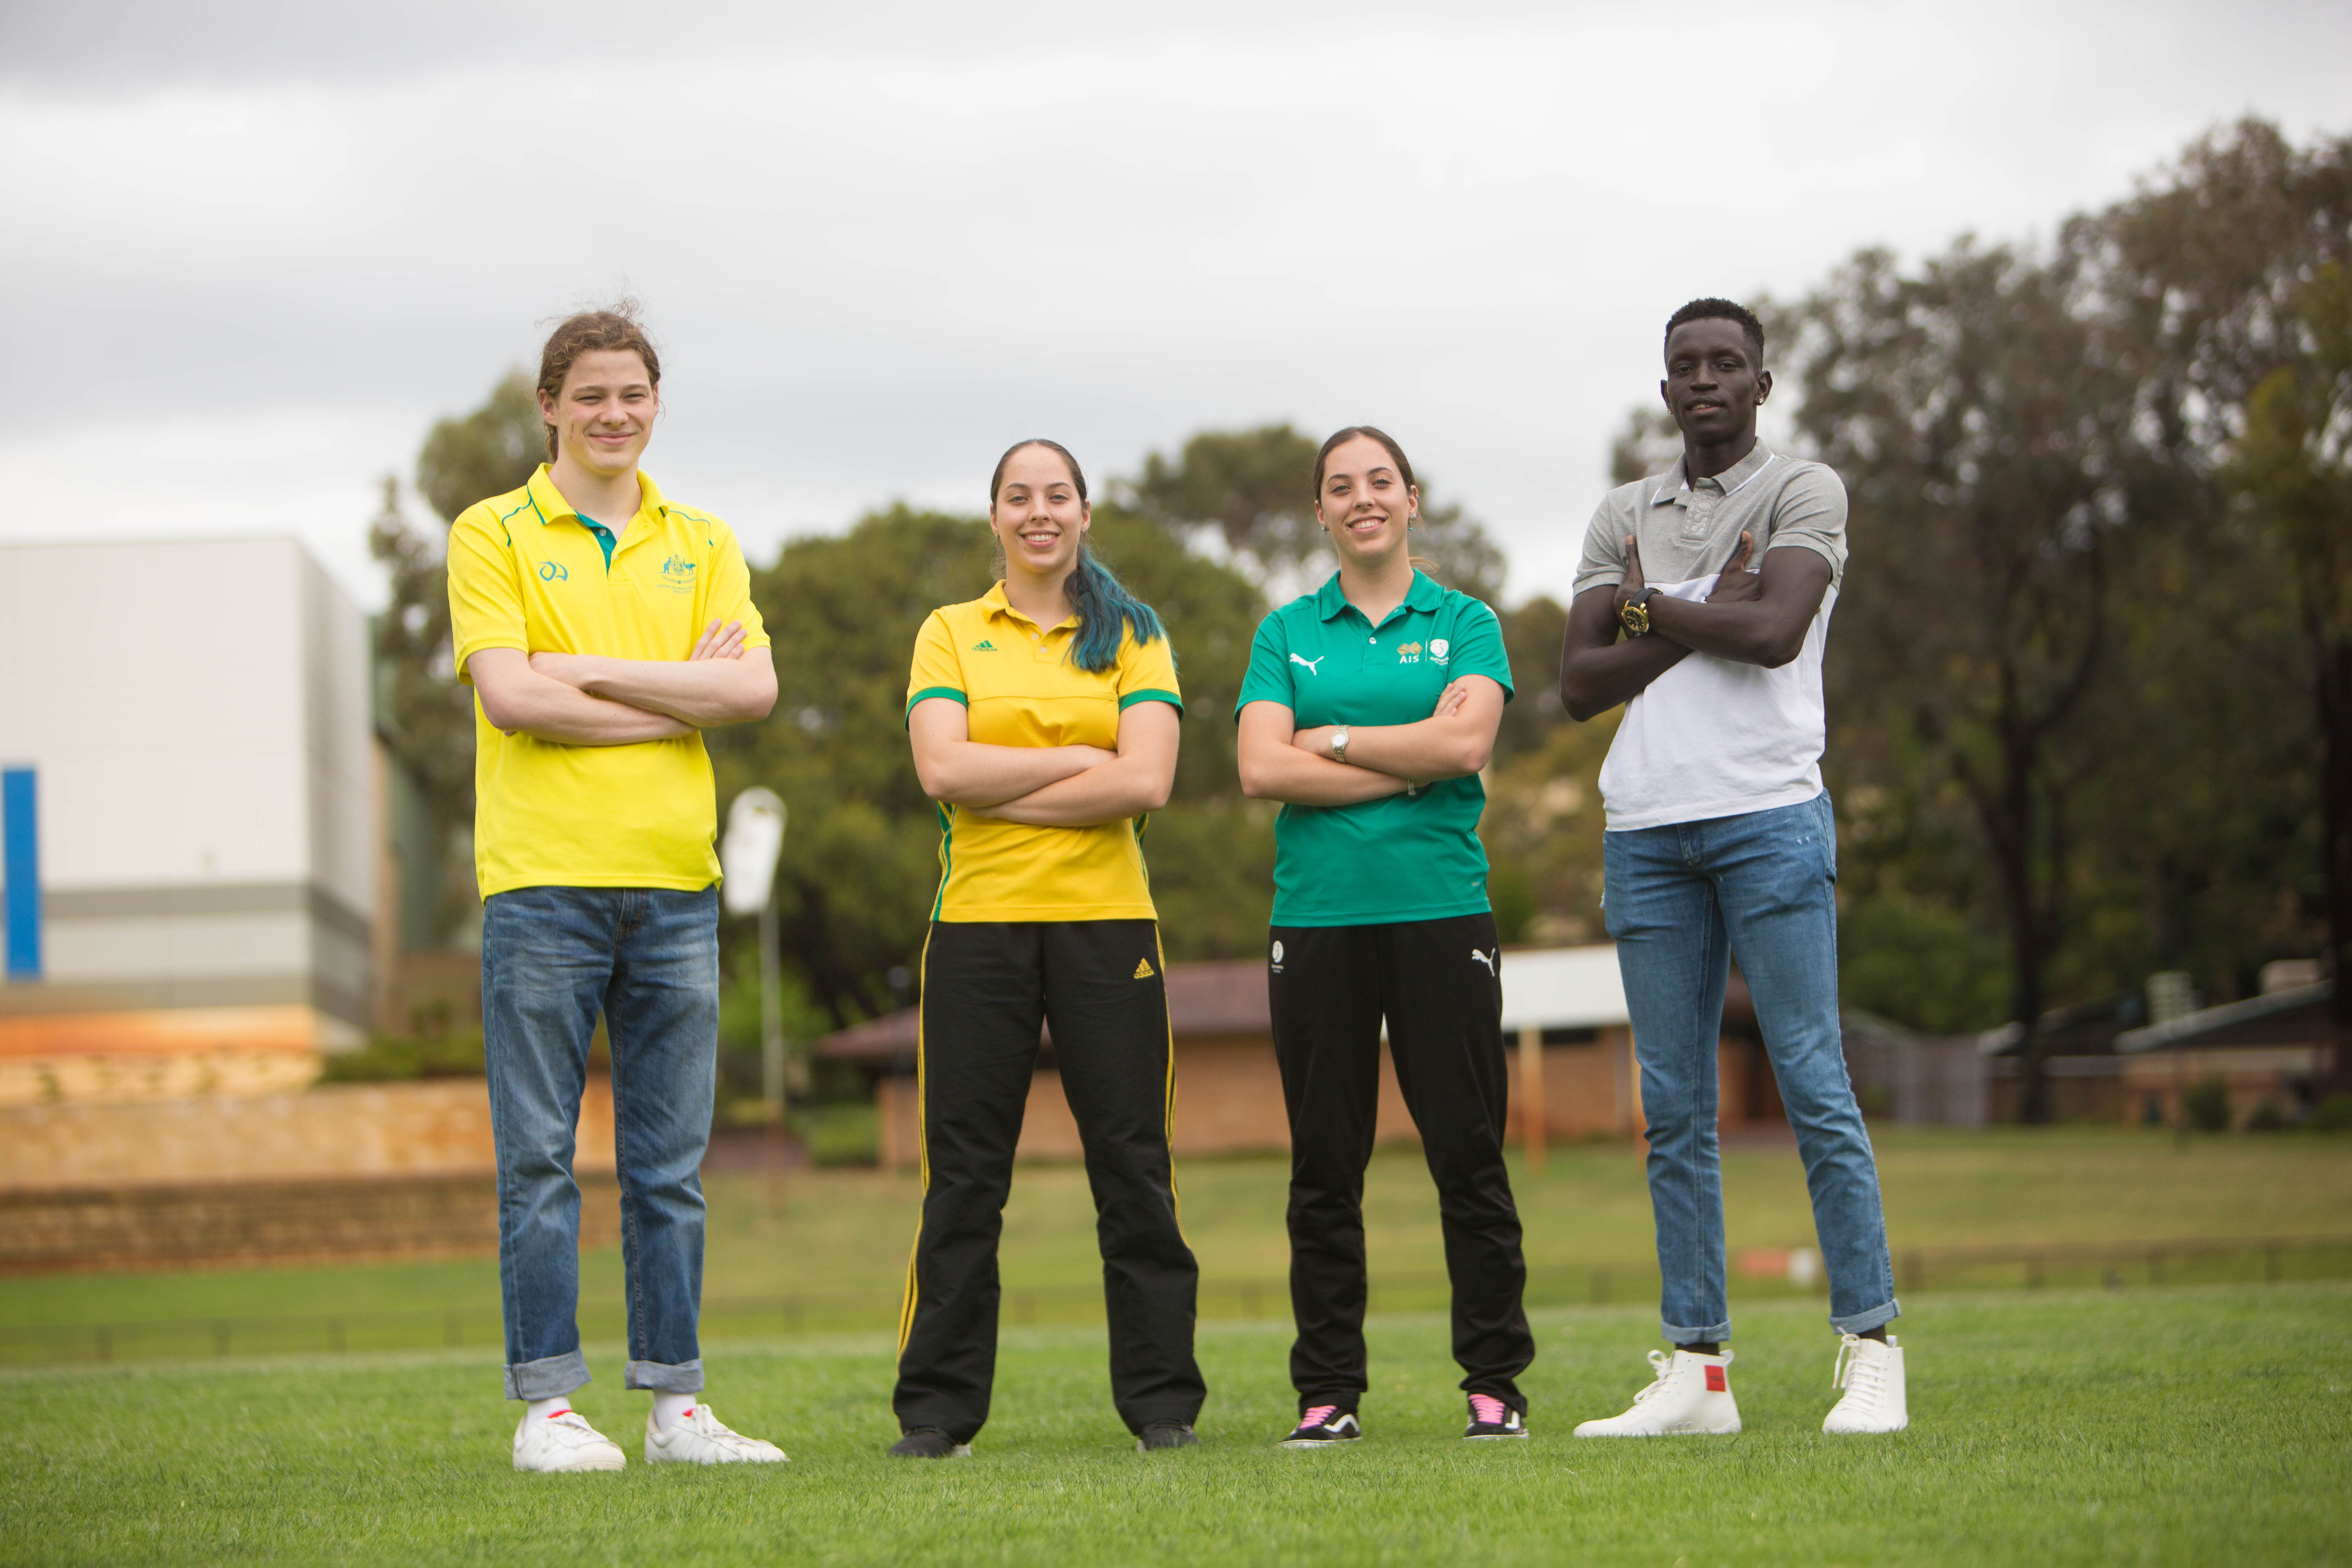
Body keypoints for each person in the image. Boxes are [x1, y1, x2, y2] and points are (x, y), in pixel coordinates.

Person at [445, 305, 789, 1471]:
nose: (613, 414)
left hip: (676, 886)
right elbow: (512, 700)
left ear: (655, 404)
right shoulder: (490, 533)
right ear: (550, 406)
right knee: (540, 1157)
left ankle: (676, 1407)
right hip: (541, 884)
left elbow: (750, 697)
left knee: (668, 1168)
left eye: (632, 394)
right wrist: (670, 696)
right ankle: (548, 1408)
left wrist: (583, 669)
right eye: (589, 395)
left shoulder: (706, 540)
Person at [1559, 298, 1907, 1437]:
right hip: (1647, 829)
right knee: (1675, 1109)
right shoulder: (1625, 511)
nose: (1704, 380)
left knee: (1813, 1079)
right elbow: (1579, 685)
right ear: (1666, 393)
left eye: (1726, 365)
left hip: (1769, 816)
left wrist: (1650, 612)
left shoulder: (1805, 491)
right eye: (1684, 367)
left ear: (1761, 384)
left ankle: (1870, 1346)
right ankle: (1698, 1374)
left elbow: (1777, 636)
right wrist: (1705, 601)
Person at [893, 438, 1205, 1458]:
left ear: (1084, 512)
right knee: (966, 1176)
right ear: (995, 518)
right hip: (976, 927)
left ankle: (1163, 1407)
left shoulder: (1135, 635)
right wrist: (1082, 756)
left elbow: (1146, 782)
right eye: (1018, 498)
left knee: (1133, 1166)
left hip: (1110, 926)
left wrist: (1013, 777)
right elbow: (941, 770)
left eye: (1056, 496)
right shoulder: (947, 632)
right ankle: (937, 1414)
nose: (1039, 513)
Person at [1234, 425, 1535, 1448]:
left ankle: (1494, 1386)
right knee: (1326, 1167)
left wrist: (1341, 739)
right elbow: (1260, 768)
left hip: (1442, 912)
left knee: (1469, 1155)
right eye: (1339, 487)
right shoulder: (1285, 631)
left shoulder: (1467, 622)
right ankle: (1328, 1394)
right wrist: (1415, 763)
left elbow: (1469, 742)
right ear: (1320, 514)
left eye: (1380, 481)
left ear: (1412, 498)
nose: (1362, 499)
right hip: (1316, 921)